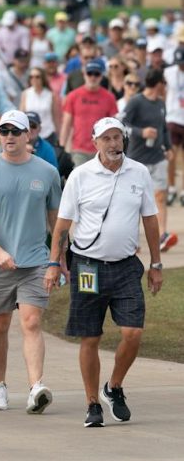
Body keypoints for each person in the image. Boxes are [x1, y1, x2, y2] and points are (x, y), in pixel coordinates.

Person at [47, 117, 163, 428]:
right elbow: (62, 224)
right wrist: (53, 261)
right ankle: (92, 403)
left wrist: (156, 263)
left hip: (126, 266)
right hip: (87, 266)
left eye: (118, 137)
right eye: (107, 138)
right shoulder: (80, 176)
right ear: (95, 141)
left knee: (133, 333)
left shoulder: (138, 172)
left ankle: (113, 387)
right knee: (90, 336)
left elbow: (150, 219)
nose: (113, 144)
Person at [0, 109, 62, 414]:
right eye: (4, 131)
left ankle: (36, 388)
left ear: (27, 135)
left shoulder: (47, 172)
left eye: (15, 132)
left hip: (34, 262)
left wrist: (56, 261)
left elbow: (56, 221)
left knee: (31, 322)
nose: (9, 137)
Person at [122, 69, 177, 252]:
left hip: (157, 157)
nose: (165, 88)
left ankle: (162, 236)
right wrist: (141, 132)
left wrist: (168, 148)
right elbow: (123, 124)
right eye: (164, 84)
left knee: (160, 196)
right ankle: (132, 239)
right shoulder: (136, 101)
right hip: (137, 159)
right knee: (134, 200)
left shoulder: (161, 104)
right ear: (159, 83)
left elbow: (163, 129)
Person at [61, 60, 118, 167]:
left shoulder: (109, 97)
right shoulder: (73, 95)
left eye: (96, 74)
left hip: (102, 149)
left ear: (101, 76)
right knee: (81, 181)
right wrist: (61, 147)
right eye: (90, 73)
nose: (93, 77)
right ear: (84, 75)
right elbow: (66, 124)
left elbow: (114, 125)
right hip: (79, 149)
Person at [20, 67, 61, 145]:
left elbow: (56, 117)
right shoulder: (25, 94)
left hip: (48, 133)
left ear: (42, 78)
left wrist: (59, 135)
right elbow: (22, 115)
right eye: (31, 77)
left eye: (37, 77)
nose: (34, 79)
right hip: (30, 134)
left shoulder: (51, 94)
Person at [164, 47, 184, 205]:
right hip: (172, 117)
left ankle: (183, 190)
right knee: (172, 155)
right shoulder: (169, 72)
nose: (181, 66)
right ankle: (171, 187)